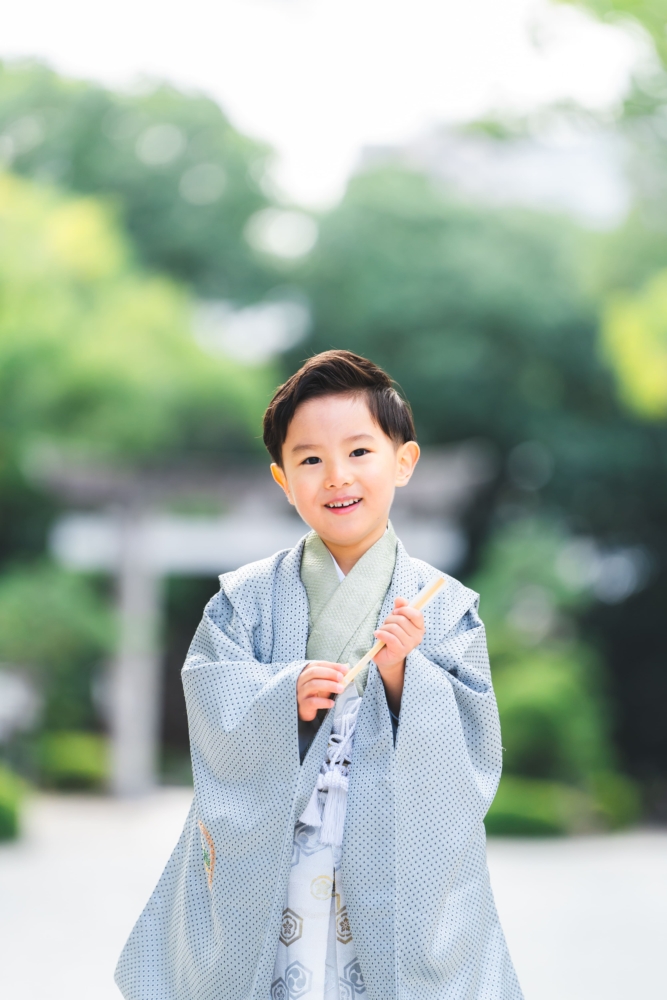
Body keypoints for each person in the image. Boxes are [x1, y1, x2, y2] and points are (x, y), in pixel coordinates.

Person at [115, 350, 523, 1000]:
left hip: (391, 855)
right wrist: (283, 697)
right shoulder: (243, 599)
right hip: (281, 852)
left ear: (403, 461)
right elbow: (212, 699)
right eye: (310, 460)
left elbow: (473, 752)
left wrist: (401, 678)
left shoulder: (443, 605)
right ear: (283, 479)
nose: (337, 476)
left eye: (359, 452)